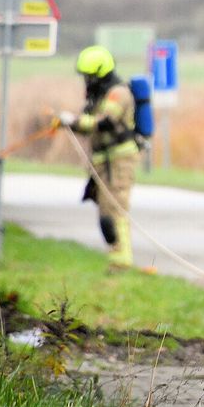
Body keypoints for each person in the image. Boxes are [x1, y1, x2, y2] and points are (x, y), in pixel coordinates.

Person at [56, 45, 140, 271]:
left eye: (89, 76)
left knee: (116, 210)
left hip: (119, 161)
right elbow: (89, 124)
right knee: (105, 213)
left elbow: (106, 122)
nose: (86, 81)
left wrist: (74, 121)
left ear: (100, 73)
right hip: (103, 161)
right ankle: (116, 259)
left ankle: (122, 263)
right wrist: (69, 123)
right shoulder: (99, 96)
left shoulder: (117, 94)